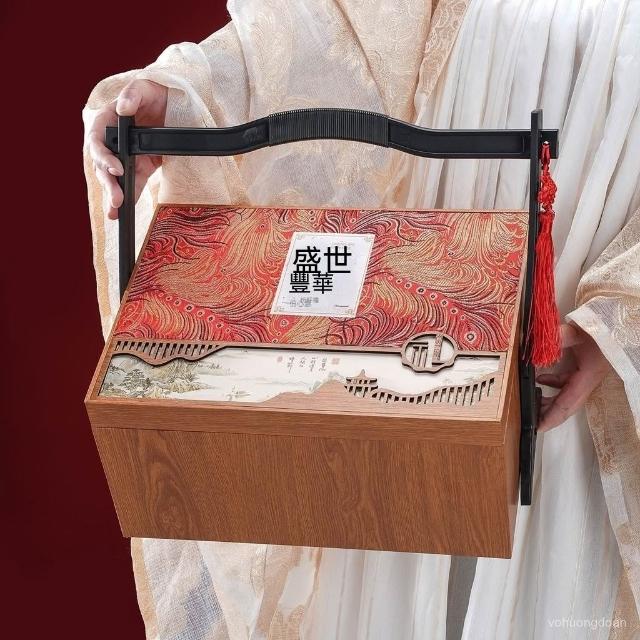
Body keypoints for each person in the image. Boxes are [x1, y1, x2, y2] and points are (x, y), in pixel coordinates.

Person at [84, 0, 640, 637]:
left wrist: (620, 315)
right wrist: (187, 97)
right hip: (435, 245)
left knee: (555, 548)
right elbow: (347, 26)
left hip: (593, 270)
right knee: (408, 523)